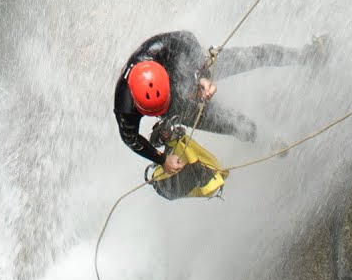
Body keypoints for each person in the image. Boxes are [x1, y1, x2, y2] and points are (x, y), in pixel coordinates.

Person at [113, 31, 327, 174]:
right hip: (177, 107)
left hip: (191, 68)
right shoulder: (124, 107)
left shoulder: (156, 49)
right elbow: (130, 138)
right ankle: (268, 140)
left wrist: (202, 75)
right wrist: (162, 160)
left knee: (254, 57)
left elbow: (187, 38)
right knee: (235, 124)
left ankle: (307, 56)